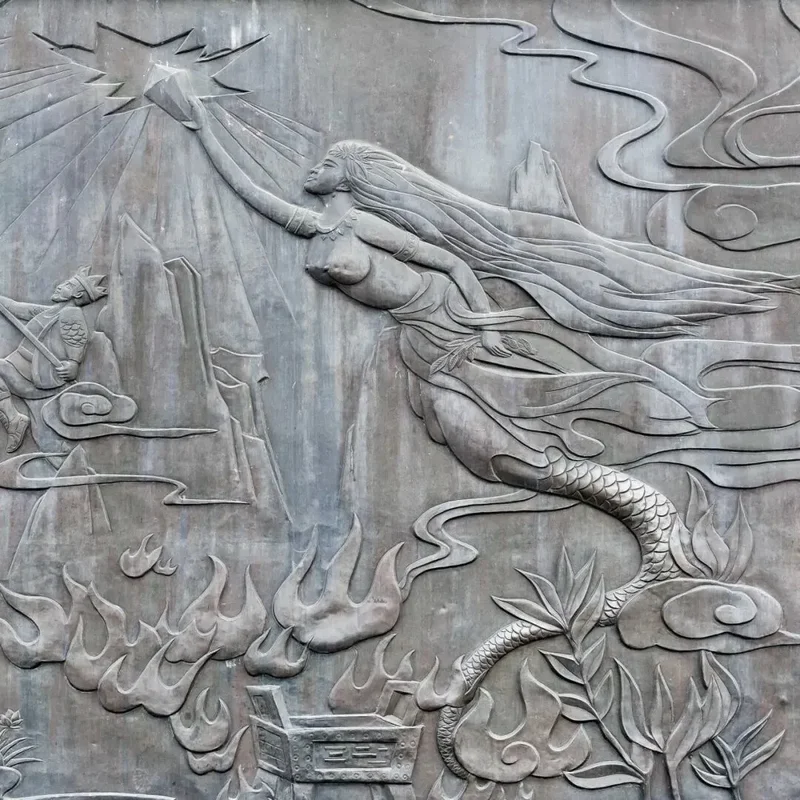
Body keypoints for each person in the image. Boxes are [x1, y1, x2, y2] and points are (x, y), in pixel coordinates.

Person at [161, 91, 800, 491]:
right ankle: (592, 461)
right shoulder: (314, 226)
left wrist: (485, 323)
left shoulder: (362, 224)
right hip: (419, 340)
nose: (312, 170)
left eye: (327, 164)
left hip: (452, 318)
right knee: (477, 424)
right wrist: (200, 127)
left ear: (349, 178)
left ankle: (681, 410)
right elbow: (252, 192)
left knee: (569, 366)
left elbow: (448, 263)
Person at [0, 266, 108, 452]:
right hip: (17, 367)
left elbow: (77, 341)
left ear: (77, 294)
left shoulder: (70, 314)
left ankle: (13, 420)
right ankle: (12, 419)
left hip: (30, 376)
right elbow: (18, 309)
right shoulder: (51, 311)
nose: (60, 286)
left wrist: (74, 363)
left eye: (67, 285)